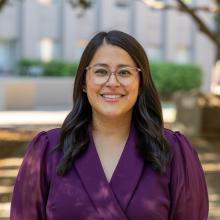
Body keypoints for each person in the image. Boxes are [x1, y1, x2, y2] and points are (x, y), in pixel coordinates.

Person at [10, 30, 208, 220]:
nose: (112, 82)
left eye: (124, 72)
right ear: (84, 83)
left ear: (140, 83)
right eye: (101, 71)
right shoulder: (47, 150)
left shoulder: (174, 151)